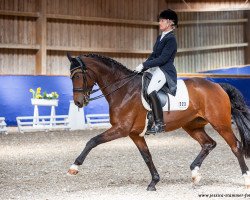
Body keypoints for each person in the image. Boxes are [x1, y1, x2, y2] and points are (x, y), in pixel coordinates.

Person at [135, 9, 178, 134]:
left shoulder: (171, 40)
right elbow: (154, 55)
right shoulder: (160, 37)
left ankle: (159, 123)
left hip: (165, 70)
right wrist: (143, 67)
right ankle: (149, 118)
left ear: (170, 22)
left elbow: (162, 59)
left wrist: (145, 64)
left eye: (162, 20)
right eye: (160, 20)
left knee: (150, 90)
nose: (159, 23)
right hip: (156, 68)